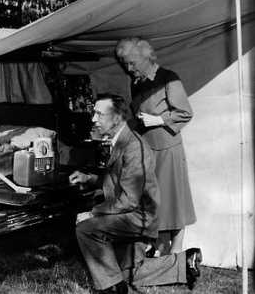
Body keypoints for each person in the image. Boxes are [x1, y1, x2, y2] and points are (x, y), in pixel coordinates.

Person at [69, 93, 202, 294]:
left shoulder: (133, 147)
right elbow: (117, 182)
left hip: (139, 217)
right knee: (128, 272)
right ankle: (184, 263)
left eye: (99, 114)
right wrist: (88, 178)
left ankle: (111, 287)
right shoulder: (120, 140)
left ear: (116, 118)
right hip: (133, 213)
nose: (93, 119)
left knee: (86, 229)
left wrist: (93, 213)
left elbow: (128, 200)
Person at [115, 37, 196, 256]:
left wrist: (158, 120)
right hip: (147, 151)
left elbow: (185, 112)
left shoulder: (169, 78)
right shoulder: (136, 83)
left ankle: (177, 253)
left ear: (147, 57)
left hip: (168, 150)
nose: (129, 69)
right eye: (125, 65)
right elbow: (137, 118)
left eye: (132, 63)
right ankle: (159, 248)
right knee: (154, 201)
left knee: (174, 201)